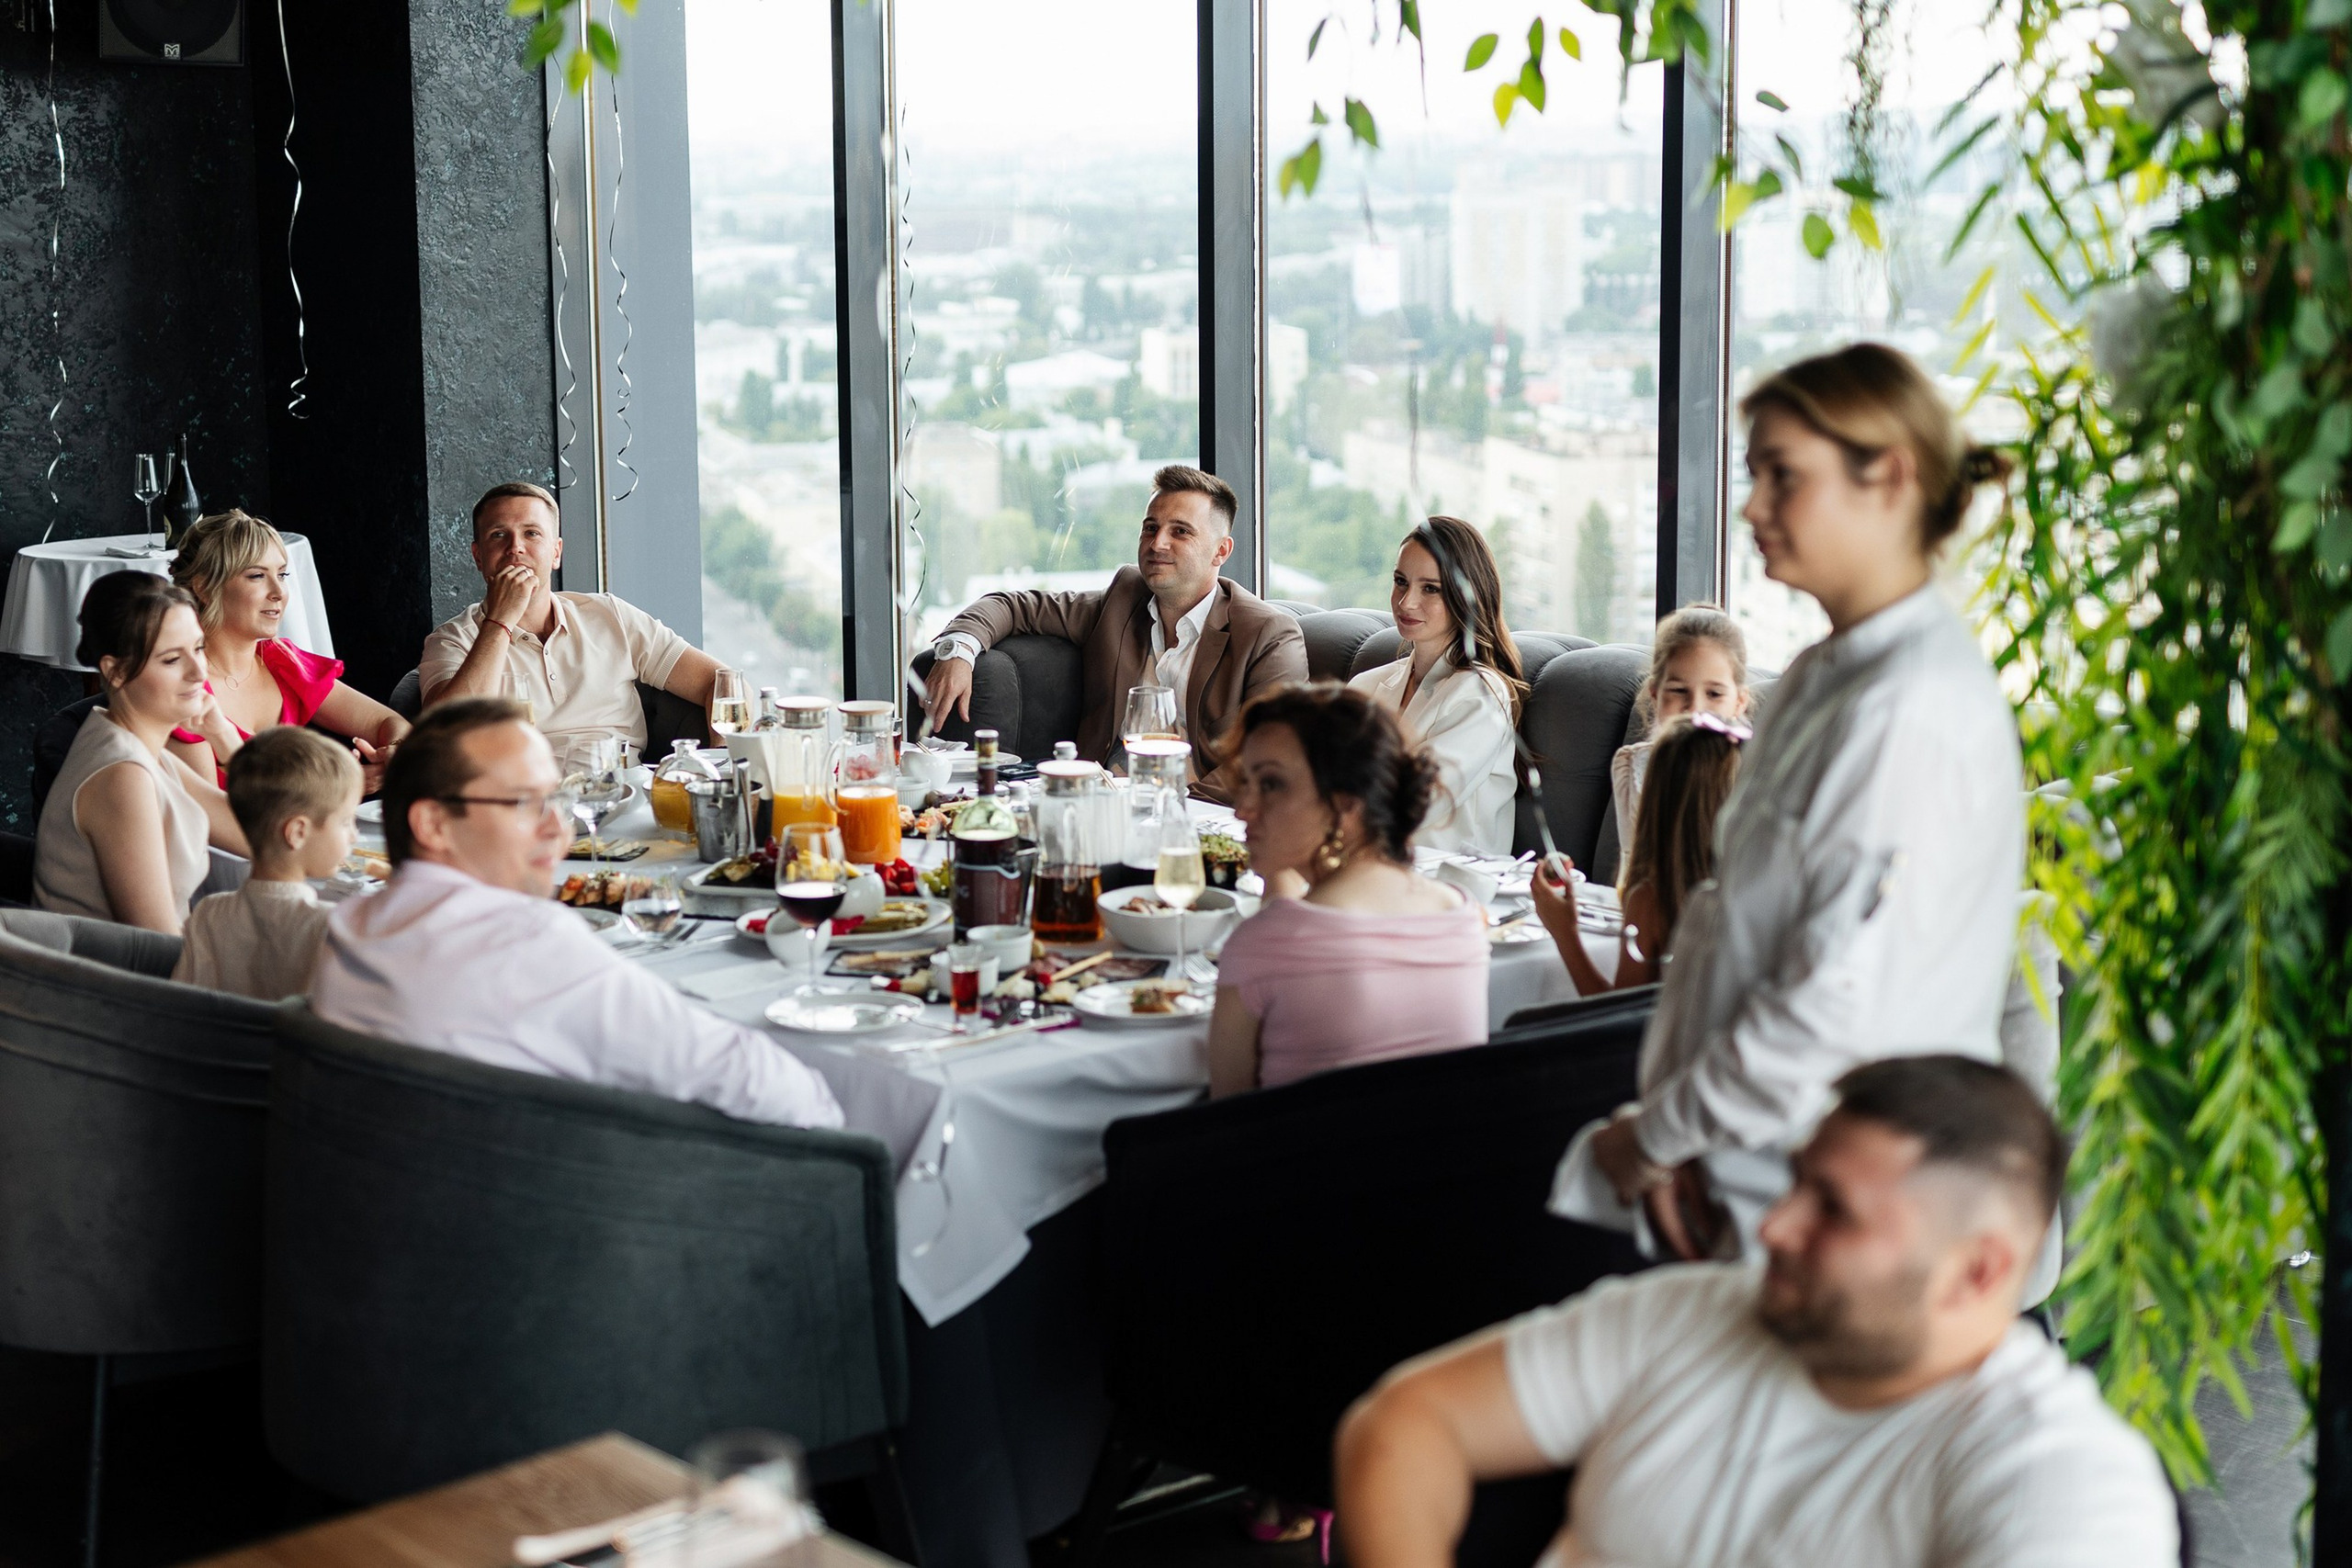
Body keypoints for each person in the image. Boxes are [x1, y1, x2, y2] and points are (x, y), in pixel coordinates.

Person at [1552, 343, 2027, 1262]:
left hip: (1826, 1209)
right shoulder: (1821, 674)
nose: (1752, 509)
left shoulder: (1907, 710)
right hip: (1736, 1172)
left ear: (1886, 478)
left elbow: (1828, 1005)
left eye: (1781, 477)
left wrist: (1653, 1137)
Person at [1334, 1056, 2178, 1568]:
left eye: (1834, 1209)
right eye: (1795, 1181)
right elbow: (1407, 1421)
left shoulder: (2062, 1477)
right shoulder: (1704, 1311)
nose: (1774, 1224)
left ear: (1979, 1270)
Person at [311, 697, 842, 1129]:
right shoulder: (525, 943)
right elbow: (737, 1073)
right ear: (433, 824)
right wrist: (836, 1125)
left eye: (556, 801)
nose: (557, 831)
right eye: (524, 804)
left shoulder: (350, 927)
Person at [922, 465, 1308, 802]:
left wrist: (1166, 805)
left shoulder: (1267, 635)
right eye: (1151, 527)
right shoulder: (1124, 599)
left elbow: (1274, 758)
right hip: (1094, 803)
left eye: (1181, 532)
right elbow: (1013, 606)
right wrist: (957, 651)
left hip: (1202, 817)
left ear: (1220, 551)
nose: (1158, 543)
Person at [1210, 683, 1488, 1096]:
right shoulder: (1462, 916)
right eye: (1246, 782)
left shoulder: (1262, 945)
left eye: (1270, 784)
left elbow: (1224, 1127)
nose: (1242, 809)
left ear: (1346, 805)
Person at [419, 482, 726, 764]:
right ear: (478, 557)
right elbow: (441, 735)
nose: (516, 548)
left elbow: (721, 681)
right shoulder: (451, 639)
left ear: (556, 553)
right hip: (523, 802)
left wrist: (722, 757)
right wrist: (500, 621)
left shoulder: (611, 615)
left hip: (622, 791)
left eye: (532, 533)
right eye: (498, 534)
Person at [35, 574, 248, 933]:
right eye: (170, 660)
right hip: (113, 985)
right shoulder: (123, 775)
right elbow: (158, 940)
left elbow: (257, 835)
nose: (199, 672)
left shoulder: (139, 747)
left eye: (198, 648)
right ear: (115, 671)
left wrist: (223, 736)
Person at [165, 509, 410, 791]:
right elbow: (206, 820)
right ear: (205, 588)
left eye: (282, 574)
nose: (279, 592)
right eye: (257, 576)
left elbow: (389, 721)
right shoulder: (185, 687)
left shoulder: (281, 662)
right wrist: (334, 788)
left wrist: (395, 750)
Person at [1347, 517, 1525, 856]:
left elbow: (1415, 805)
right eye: (1401, 582)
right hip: (1362, 864)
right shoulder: (1366, 685)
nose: (1406, 602)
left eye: (1430, 588)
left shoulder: (1482, 694)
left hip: (1447, 884)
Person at [1533, 713, 1744, 997]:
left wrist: (1565, 933)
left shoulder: (1652, 900)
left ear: (1655, 799)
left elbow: (1616, 1018)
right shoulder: (1750, 891)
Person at [173, 727, 359, 1000]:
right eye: (345, 822)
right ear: (297, 832)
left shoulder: (207, 914)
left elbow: (179, 1001)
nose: (354, 835)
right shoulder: (329, 927)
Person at [1608, 602, 1750, 835]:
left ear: (1739, 702)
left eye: (1714, 694)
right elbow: (1631, 861)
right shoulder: (1634, 767)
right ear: (1655, 694)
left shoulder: (1755, 779)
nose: (1695, 709)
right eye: (1679, 691)